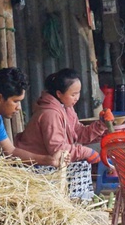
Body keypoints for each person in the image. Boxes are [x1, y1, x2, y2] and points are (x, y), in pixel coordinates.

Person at [14, 68, 110, 199]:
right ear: (59, 93)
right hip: (35, 166)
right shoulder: (50, 114)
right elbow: (57, 150)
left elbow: (78, 132)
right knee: (81, 165)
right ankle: (78, 204)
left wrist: (101, 125)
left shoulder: (66, 107)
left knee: (82, 163)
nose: (77, 98)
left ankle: (81, 202)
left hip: (50, 161)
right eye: (73, 94)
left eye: (78, 93)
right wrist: (85, 152)